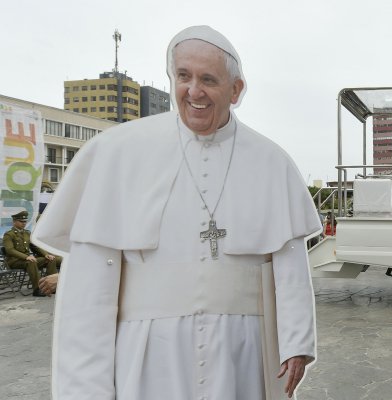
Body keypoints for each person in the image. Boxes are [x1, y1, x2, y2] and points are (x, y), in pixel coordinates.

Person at [31, 26, 321, 400]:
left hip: (241, 356)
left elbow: (290, 260)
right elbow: (88, 295)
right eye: (183, 76)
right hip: (146, 358)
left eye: (208, 79)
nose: (194, 91)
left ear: (236, 90)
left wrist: (296, 341)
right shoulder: (117, 153)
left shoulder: (271, 161)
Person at [3, 211, 61, 297]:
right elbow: (10, 250)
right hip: (14, 261)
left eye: (25, 221)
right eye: (21, 221)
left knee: (50, 259)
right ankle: (37, 289)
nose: (24, 223)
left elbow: (35, 247)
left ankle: (50, 286)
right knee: (31, 262)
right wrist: (26, 257)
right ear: (14, 222)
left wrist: (46, 255)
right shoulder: (9, 234)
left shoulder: (27, 233)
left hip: (27, 260)